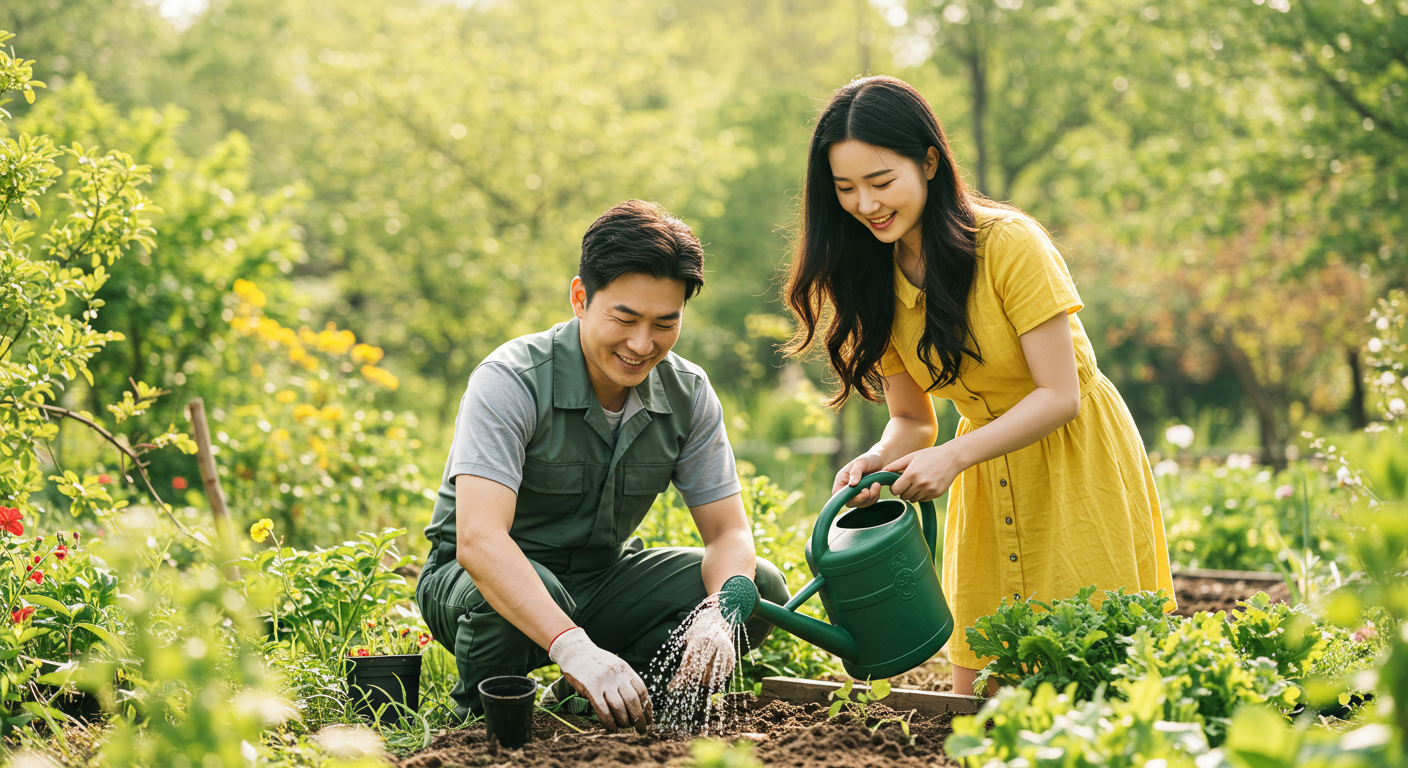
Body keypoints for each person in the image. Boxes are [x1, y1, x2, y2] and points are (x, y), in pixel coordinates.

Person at [784, 76, 1175, 696]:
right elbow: (913, 420)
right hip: (985, 475)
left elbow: (1059, 394)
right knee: (983, 690)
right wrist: (878, 459)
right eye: (846, 189)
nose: (866, 204)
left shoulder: (1009, 245)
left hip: (1074, 461)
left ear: (930, 161)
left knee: (1095, 675)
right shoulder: (871, 276)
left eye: (881, 182)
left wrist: (953, 457)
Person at [416, 199, 789, 732]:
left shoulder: (689, 393)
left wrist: (717, 618)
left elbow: (728, 533)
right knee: (503, 597)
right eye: (625, 318)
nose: (642, 344)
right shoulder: (512, 379)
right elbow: (479, 541)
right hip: (478, 582)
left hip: (599, 580)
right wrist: (573, 646)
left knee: (759, 591)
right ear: (580, 298)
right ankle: (489, 719)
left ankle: (617, 698)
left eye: (665, 323)